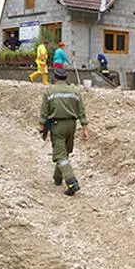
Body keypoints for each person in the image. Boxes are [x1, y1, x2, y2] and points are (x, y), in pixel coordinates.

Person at [39, 68, 89, 196]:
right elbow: (81, 110)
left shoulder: (49, 91)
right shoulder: (75, 91)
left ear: (54, 77)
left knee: (60, 155)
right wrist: (84, 127)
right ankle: (57, 178)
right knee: (64, 152)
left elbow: (44, 111)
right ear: (66, 78)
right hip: (72, 125)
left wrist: (41, 126)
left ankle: (72, 182)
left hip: (57, 125)